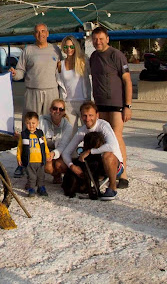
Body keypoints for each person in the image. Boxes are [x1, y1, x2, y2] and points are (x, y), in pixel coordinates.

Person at [9, 23, 61, 177]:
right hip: (32, 93)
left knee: (50, 129)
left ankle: (49, 162)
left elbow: (63, 70)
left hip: (51, 92)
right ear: (34, 35)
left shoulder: (56, 49)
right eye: (37, 32)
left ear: (48, 33)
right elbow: (20, 71)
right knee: (28, 129)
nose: (40, 34)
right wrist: (15, 74)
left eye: (43, 31)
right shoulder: (28, 50)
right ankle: (23, 163)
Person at [89, 26, 132, 188]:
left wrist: (127, 105)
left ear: (107, 39)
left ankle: (123, 175)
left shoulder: (116, 55)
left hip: (116, 104)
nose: (98, 42)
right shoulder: (93, 57)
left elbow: (127, 81)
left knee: (116, 137)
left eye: (101, 38)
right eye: (95, 39)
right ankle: (106, 170)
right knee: (102, 139)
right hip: (100, 104)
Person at [60, 102, 124, 201]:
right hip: (96, 166)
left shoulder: (103, 125)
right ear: (81, 116)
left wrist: (90, 151)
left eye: (91, 115)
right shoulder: (82, 131)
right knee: (65, 162)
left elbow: (112, 146)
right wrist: (72, 166)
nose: (87, 119)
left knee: (107, 155)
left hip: (114, 165)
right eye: (84, 116)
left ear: (97, 115)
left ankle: (112, 187)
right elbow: (66, 152)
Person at [56, 36, 92, 128]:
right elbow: (60, 83)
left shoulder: (83, 61)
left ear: (75, 47)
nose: (69, 49)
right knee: (70, 132)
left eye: (71, 46)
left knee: (88, 130)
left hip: (84, 102)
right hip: (68, 103)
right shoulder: (60, 64)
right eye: (66, 47)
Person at [38, 98, 74, 184]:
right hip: (44, 151)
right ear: (50, 109)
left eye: (61, 109)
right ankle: (53, 175)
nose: (57, 111)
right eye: (55, 108)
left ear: (64, 112)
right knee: (48, 167)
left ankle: (61, 175)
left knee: (60, 165)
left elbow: (63, 145)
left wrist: (53, 153)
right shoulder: (41, 120)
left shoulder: (68, 126)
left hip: (60, 152)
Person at [16, 111, 50, 197]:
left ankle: (41, 187)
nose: (31, 125)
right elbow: (20, 148)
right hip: (29, 161)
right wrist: (19, 158)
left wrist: (47, 154)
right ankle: (31, 189)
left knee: (41, 176)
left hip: (40, 160)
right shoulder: (24, 135)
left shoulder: (40, 134)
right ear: (25, 123)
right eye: (28, 123)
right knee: (32, 177)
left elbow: (45, 145)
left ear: (37, 123)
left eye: (33, 123)